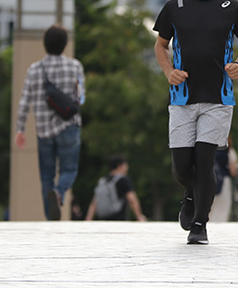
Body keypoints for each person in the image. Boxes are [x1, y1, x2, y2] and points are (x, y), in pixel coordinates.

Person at [153, 0, 238, 245]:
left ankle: (200, 224)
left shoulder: (231, 7)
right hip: (182, 97)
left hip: (218, 97)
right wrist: (168, 71)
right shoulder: (175, 6)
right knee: (182, 166)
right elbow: (160, 45)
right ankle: (190, 194)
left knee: (205, 158)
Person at [15, 25, 85, 221]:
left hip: (43, 130)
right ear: (64, 45)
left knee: (46, 175)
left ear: (45, 44)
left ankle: (50, 219)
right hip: (68, 125)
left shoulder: (34, 69)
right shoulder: (75, 66)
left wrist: (20, 129)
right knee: (69, 169)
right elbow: (81, 98)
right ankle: (60, 191)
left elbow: (24, 100)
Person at [85, 155, 146, 221]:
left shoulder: (102, 181)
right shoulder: (123, 180)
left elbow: (94, 202)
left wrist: (88, 219)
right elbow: (132, 199)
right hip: (119, 220)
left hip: (103, 221)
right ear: (120, 166)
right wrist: (139, 216)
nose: (127, 167)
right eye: (125, 165)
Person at [210, 136, 238, 222]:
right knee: (222, 210)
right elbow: (233, 171)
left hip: (207, 180)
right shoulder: (228, 150)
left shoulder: (206, 149)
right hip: (224, 181)